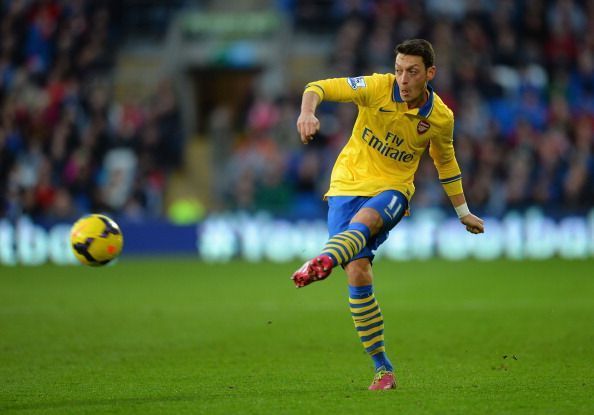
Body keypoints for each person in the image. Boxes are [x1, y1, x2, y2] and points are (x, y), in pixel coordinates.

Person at [291, 39, 485, 390]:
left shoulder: (440, 118)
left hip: (394, 189)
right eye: (398, 70)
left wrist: (463, 211)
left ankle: (323, 259)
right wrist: (307, 112)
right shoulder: (377, 87)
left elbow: (446, 163)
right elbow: (317, 87)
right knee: (359, 272)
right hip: (346, 185)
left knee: (364, 226)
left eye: (411, 71)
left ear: (430, 73)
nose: (403, 79)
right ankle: (383, 369)